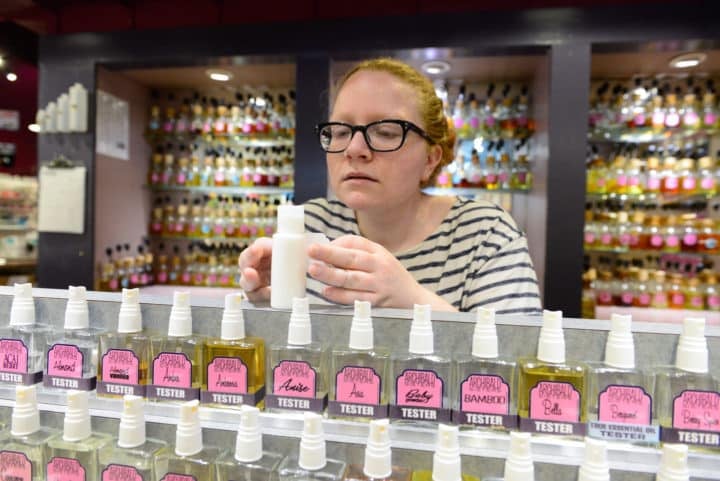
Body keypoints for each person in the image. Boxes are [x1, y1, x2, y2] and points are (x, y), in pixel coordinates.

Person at [239, 58, 541, 314]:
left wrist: (412, 301)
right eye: (341, 131)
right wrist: (262, 306)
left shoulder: (485, 234)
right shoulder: (311, 223)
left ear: (430, 159)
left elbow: (518, 363)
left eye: (384, 132)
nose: (354, 148)